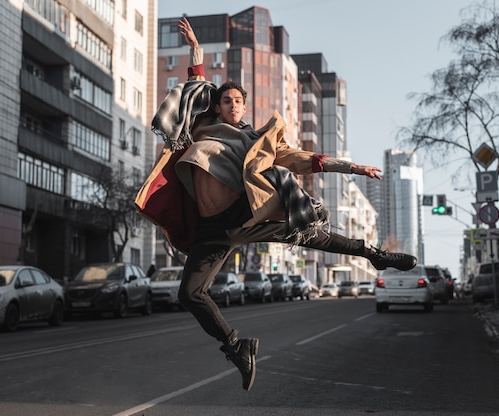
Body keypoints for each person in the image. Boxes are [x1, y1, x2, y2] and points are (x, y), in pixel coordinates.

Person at [149, 17, 417, 392]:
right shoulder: (202, 126)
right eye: (226, 100)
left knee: (313, 237)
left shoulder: (257, 140)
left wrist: (353, 167)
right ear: (219, 105)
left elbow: (305, 158)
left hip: (247, 212)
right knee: (189, 294)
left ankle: (374, 254)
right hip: (213, 230)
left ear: (244, 107)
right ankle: (237, 347)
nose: (231, 105)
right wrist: (195, 48)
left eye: (237, 101)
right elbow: (196, 82)